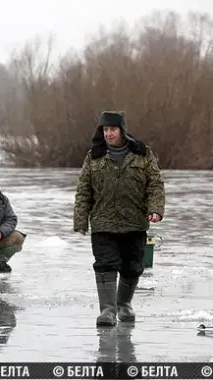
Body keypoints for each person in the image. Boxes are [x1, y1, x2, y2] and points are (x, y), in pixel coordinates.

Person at [73, 111, 165, 327]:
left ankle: (124, 304)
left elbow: (155, 184)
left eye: (112, 129)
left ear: (122, 130)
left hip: (134, 222)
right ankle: (107, 310)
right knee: (105, 264)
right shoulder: (94, 156)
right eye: (105, 130)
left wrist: (156, 209)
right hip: (103, 222)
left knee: (133, 266)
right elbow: (83, 190)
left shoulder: (143, 154)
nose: (108, 134)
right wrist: (80, 220)